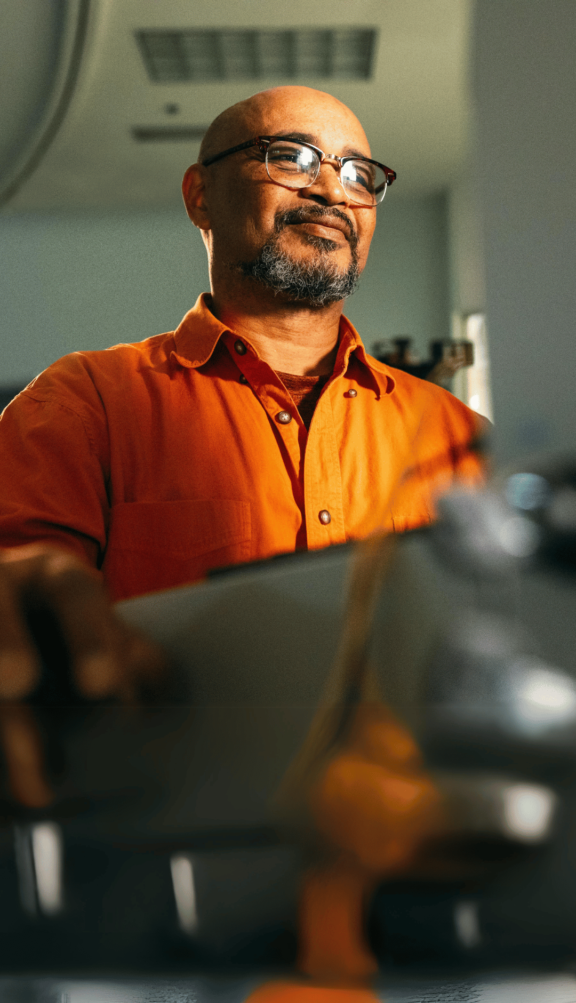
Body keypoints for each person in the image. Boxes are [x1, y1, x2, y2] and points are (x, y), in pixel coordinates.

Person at [0, 86, 484, 809]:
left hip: (413, 840)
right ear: (201, 196)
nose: (331, 189)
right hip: (166, 841)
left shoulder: (455, 435)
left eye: (359, 174)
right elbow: (21, 591)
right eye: (290, 157)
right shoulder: (83, 403)